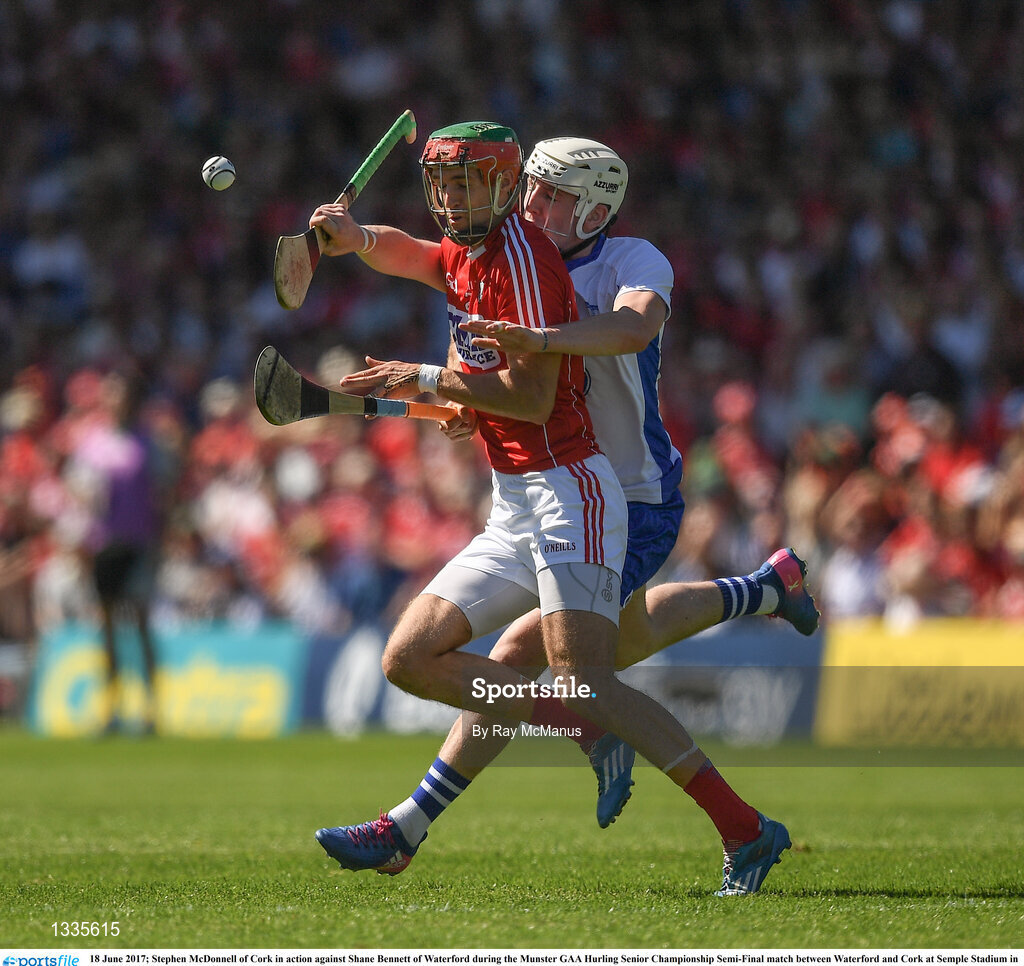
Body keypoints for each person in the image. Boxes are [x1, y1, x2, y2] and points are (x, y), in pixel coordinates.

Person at [307, 123, 798, 896]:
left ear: (596, 209)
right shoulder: (497, 250)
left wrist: (484, 361)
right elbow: (422, 256)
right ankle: (763, 591)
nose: (532, 204)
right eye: (529, 188)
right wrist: (358, 238)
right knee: (463, 657)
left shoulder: (627, 260)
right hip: (524, 497)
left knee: (564, 670)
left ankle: (416, 824)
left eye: (552, 195)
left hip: (621, 492)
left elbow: (628, 328)